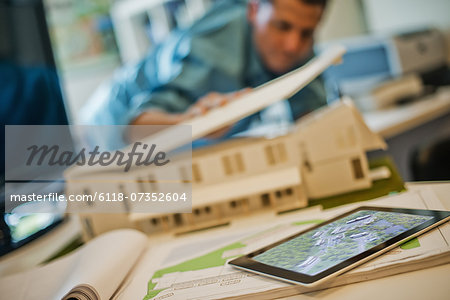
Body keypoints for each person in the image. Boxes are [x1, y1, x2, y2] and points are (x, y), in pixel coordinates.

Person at [80, 0, 328, 140]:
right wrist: (192, 122)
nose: (292, 45)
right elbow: (135, 128)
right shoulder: (213, 49)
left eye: (307, 33)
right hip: (105, 127)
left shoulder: (299, 46)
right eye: (281, 26)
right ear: (253, 9)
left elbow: (313, 117)